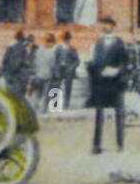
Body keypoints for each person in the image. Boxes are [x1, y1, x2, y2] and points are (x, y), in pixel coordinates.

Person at [87, 17, 132, 154]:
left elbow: (126, 63)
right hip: (101, 83)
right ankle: (96, 145)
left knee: (119, 113)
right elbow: (93, 62)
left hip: (115, 83)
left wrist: (117, 70)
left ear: (113, 26)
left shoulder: (119, 43)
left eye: (108, 24)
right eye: (104, 24)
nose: (106, 27)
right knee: (99, 114)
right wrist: (96, 71)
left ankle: (120, 144)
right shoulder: (97, 43)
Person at [52, 30, 81, 109]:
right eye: (64, 39)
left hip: (68, 70)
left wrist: (72, 67)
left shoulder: (72, 49)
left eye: (67, 39)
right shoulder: (58, 48)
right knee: (56, 86)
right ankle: (55, 104)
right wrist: (55, 69)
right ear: (62, 40)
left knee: (68, 87)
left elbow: (77, 60)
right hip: (59, 69)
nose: (66, 41)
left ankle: (66, 104)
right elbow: (54, 59)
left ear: (69, 40)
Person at [29, 34, 56, 112]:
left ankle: (34, 108)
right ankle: (43, 110)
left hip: (38, 75)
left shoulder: (39, 51)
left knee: (37, 93)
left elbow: (34, 62)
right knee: (45, 94)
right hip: (47, 76)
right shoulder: (51, 53)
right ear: (50, 42)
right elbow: (52, 66)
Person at [1, 31, 33, 99]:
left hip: (11, 76)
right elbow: (27, 63)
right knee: (19, 97)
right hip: (19, 77)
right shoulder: (23, 49)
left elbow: (4, 63)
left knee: (11, 97)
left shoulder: (10, 48)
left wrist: (6, 75)